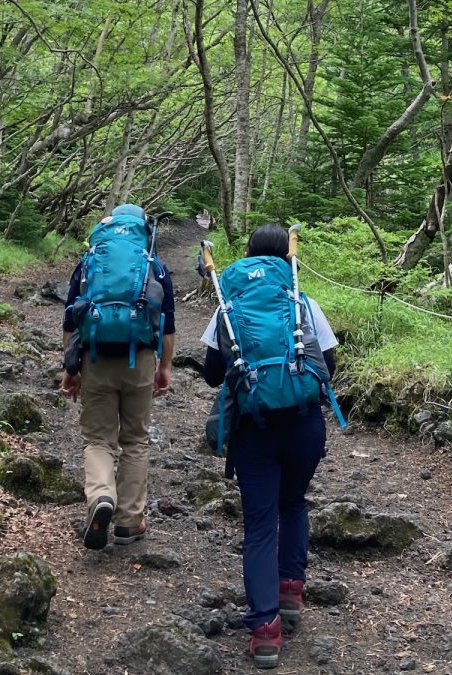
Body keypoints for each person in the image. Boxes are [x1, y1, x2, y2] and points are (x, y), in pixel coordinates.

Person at [200, 224, 339, 669]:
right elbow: (328, 367)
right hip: (304, 427)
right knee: (294, 504)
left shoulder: (229, 304)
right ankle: (291, 592)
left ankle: (265, 631)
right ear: (287, 260)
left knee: (259, 525)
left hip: (254, 430)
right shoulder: (303, 303)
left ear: (247, 257)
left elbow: (212, 374)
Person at [60, 204, 176, 550]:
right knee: (135, 440)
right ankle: (129, 521)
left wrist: (71, 369)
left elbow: (71, 320)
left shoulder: (89, 262)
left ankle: (100, 497)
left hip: (95, 358)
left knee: (98, 440)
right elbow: (167, 325)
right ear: (144, 229)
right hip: (138, 358)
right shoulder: (153, 264)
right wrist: (164, 367)